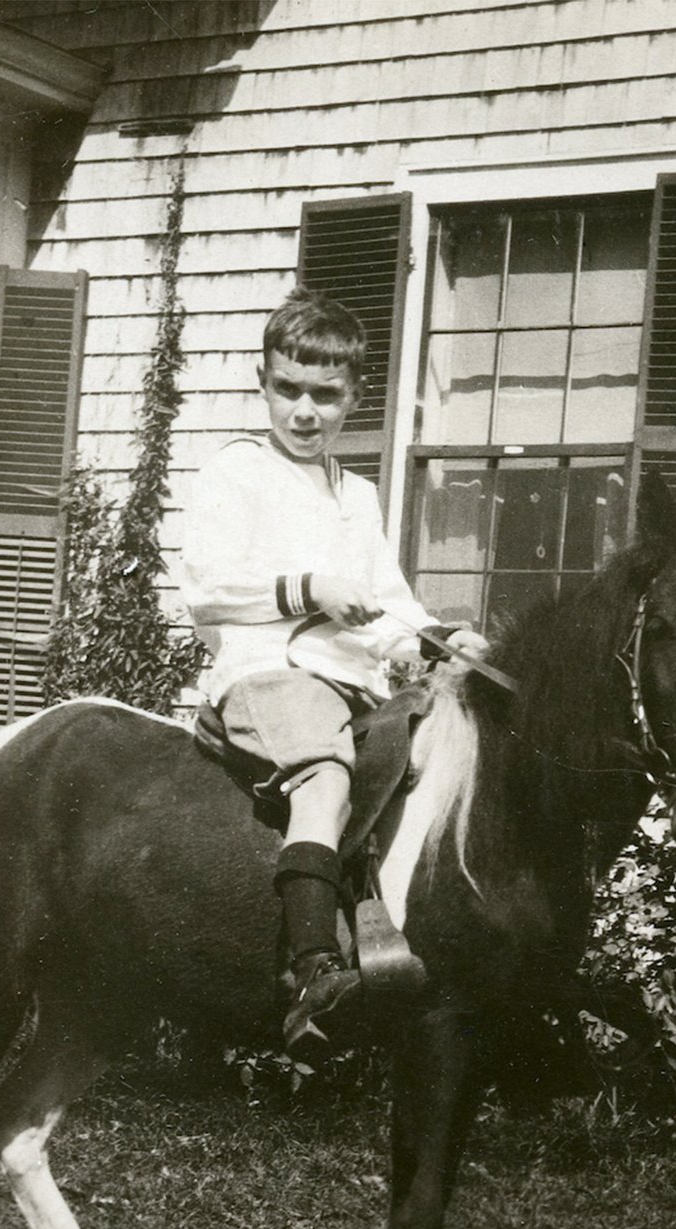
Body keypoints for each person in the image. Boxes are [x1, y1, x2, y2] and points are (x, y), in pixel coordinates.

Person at [178, 286, 491, 1053]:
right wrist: (306, 589)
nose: (304, 411)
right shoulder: (238, 472)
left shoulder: (357, 495)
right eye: (288, 390)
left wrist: (443, 639)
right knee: (326, 778)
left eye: (325, 394)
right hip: (270, 671)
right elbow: (204, 591)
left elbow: (389, 609)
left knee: (443, 751)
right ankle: (312, 974)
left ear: (355, 396)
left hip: (354, 683)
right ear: (263, 383)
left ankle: (410, 939)